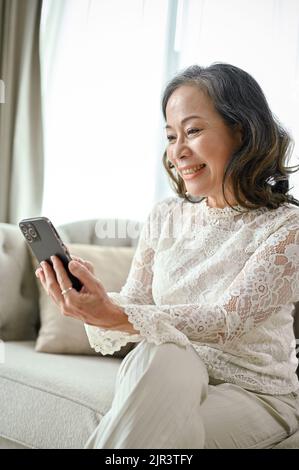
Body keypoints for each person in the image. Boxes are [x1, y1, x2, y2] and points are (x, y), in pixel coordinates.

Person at [35, 62, 299, 449]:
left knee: (157, 425)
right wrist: (96, 300)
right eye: (171, 135)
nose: (178, 151)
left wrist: (116, 314)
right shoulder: (165, 215)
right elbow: (139, 303)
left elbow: (229, 320)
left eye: (193, 131)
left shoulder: (287, 226)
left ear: (240, 131)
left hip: (253, 393)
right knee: (166, 351)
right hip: (165, 374)